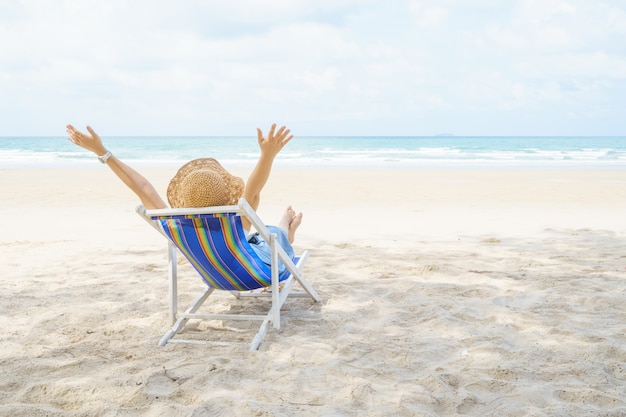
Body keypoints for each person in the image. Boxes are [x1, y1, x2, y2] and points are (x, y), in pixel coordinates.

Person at [65, 123, 303, 270]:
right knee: (270, 236)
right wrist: (267, 156)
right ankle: (286, 230)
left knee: (260, 236)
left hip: (215, 276)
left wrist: (103, 153)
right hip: (250, 270)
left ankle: (283, 228)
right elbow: (252, 191)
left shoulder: (175, 224)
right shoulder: (237, 221)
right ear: (227, 196)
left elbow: (143, 188)